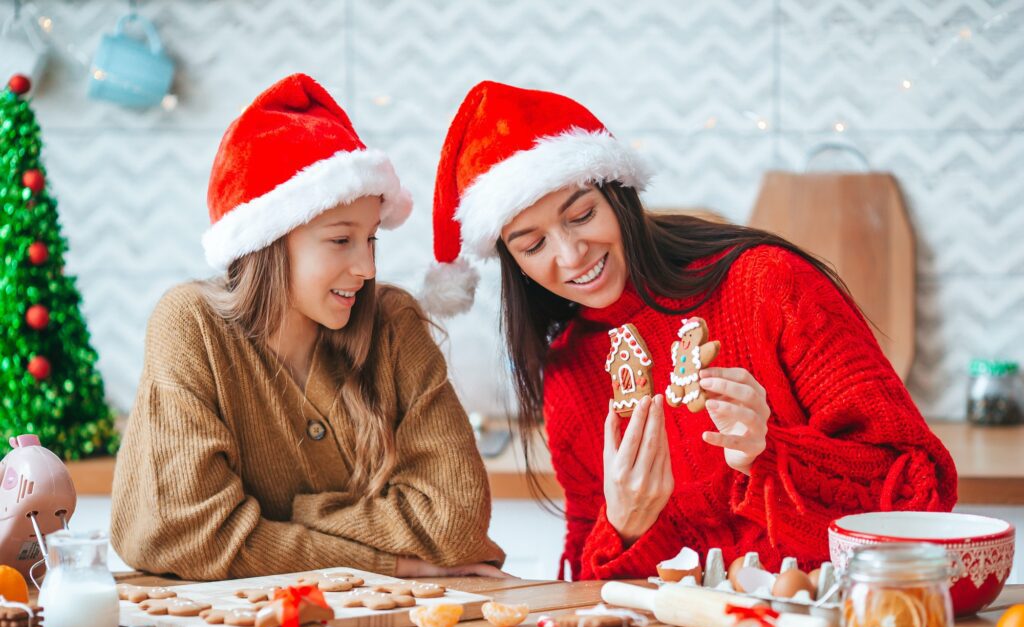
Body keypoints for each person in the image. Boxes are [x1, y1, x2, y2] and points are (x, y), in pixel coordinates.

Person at [422, 80, 956, 580]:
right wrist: (625, 525)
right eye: (532, 245)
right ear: (513, 263)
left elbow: (921, 487)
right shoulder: (571, 374)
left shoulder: (768, 285)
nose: (570, 254)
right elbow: (588, 590)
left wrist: (770, 453)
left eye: (581, 215)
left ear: (618, 196)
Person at [111, 74, 505, 580]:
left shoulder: (393, 324)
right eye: (341, 241)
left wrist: (293, 516)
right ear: (271, 242)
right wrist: (388, 563)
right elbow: (177, 534)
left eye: (371, 241)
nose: (366, 267)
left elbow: (457, 524)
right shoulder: (192, 327)